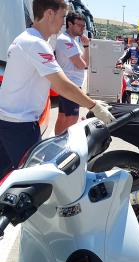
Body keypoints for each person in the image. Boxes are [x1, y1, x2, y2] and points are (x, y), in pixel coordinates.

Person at [0, 0, 114, 178]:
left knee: (6, 176)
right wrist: (94, 106)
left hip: (8, 120)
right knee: (34, 181)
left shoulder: (24, 38)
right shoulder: (35, 43)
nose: (63, 22)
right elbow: (61, 85)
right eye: (62, 16)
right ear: (49, 14)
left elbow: (53, 83)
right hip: (19, 125)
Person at [54, 11, 89, 135]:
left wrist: (85, 46)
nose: (82, 29)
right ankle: (63, 145)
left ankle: (55, 142)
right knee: (72, 118)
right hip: (71, 85)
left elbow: (84, 64)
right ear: (69, 24)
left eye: (84, 26)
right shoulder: (66, 40)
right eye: (79, 25)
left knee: (63, 116)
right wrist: (86, 47)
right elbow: (82, 65)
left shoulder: (73, 40)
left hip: (68, 84)